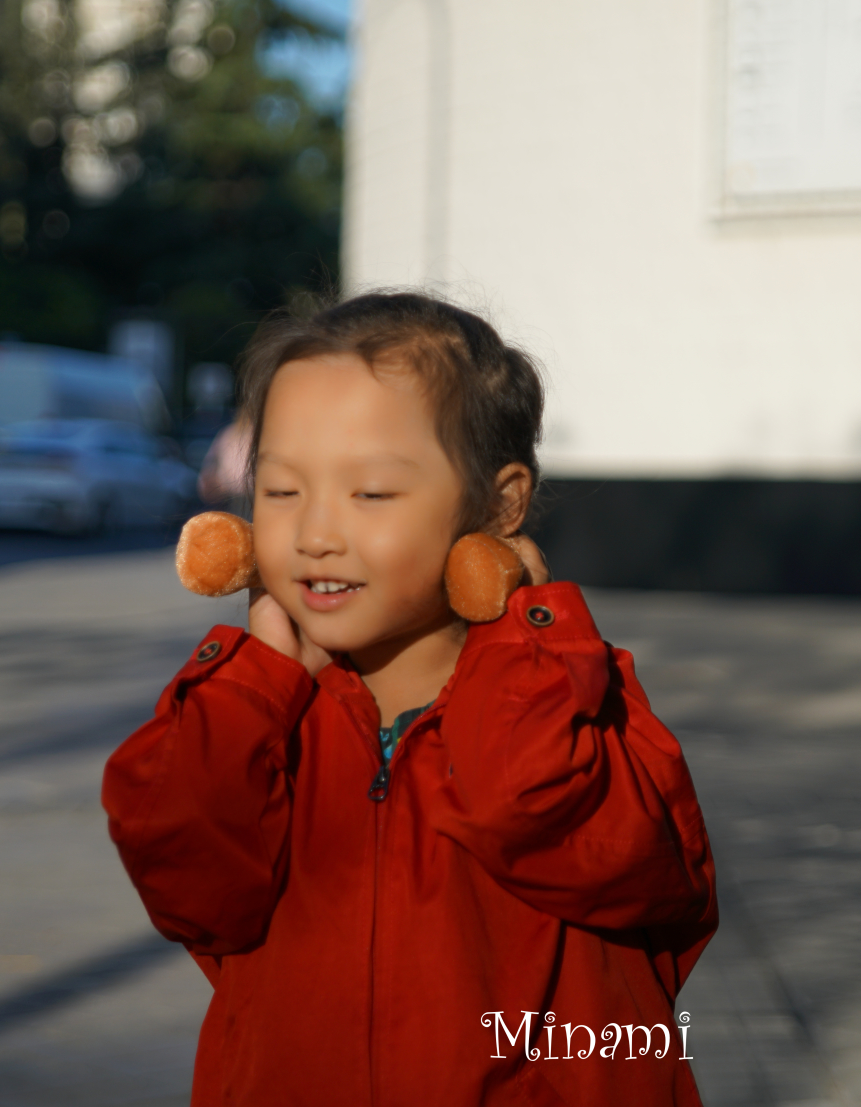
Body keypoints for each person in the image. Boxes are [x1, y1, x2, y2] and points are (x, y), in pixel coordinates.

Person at [102, 292, 717, 1106]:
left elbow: (573, 833)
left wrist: (521, 647)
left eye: (372, 494)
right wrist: (253, 681)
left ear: (499, 505)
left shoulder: (574, 700)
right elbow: (186, 877)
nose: (317, 532)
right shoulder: (263, 715)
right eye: (283, 491)